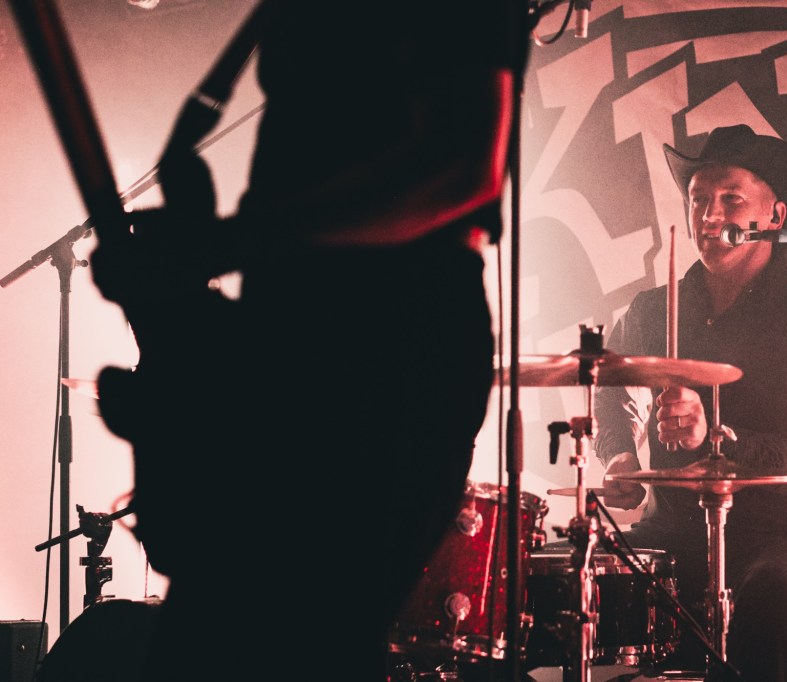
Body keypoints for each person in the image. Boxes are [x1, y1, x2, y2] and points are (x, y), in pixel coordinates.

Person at [48, 2, 529, 680]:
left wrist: (220, 246)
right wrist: (188, 290)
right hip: (294, 330)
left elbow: (460, 166)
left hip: (388, 347)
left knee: (288, 638)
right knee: (220, 636)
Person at [594, 124, 787, 681]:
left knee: (770, 597)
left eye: (730, 199)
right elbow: (608, 386)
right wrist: (618, 454)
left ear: (776, 215)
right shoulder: (652, 310)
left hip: (774, 543)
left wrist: (715, 438)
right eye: (698, 200)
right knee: (567, 576)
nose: (708, 216)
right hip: (671, 535)